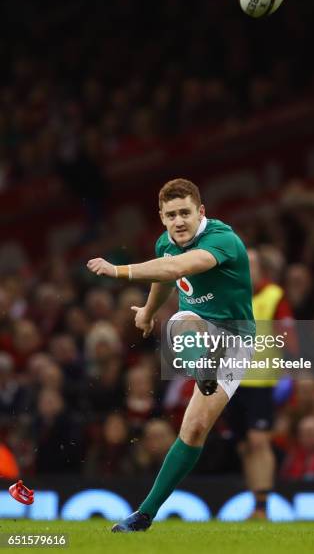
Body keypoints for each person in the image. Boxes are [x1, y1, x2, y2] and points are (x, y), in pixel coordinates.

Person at [87, 178, 255, 532]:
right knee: (181, 323)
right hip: (198, 333)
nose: (178, 221)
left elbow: (175, 269)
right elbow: (163, 278)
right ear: (161, 217)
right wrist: (147, 312)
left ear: (201, 212)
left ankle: (202, 369)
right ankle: (143, 517)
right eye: (171, 215)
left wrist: (118, 270)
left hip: (235, 341)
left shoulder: (223, 239)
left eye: (185, 213)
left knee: (183, 324)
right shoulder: (165, 241)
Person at [225, 247, 295, 518]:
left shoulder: (273, 296)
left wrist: (291, 368)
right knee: (243, 445)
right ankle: (256, 501)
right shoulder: (228, 295)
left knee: (258, 441)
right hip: (230, 381)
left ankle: (262, 506)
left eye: (251, 263)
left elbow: (289, 338)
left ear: (260, 268)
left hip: (261, 381)